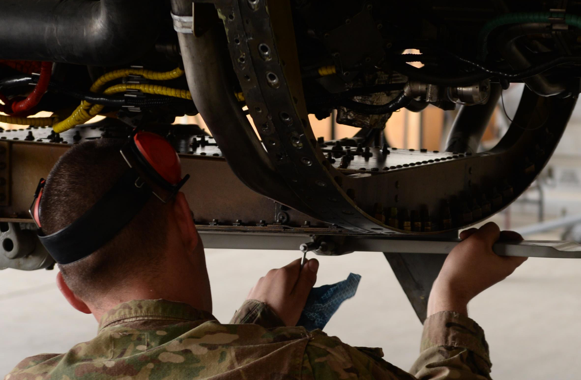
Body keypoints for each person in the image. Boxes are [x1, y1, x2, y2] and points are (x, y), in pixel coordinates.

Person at [6, 138, 527, 380]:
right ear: (185, 221)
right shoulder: (299, 365)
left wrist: (256, 328)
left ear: (70, 293)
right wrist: (450, 301)